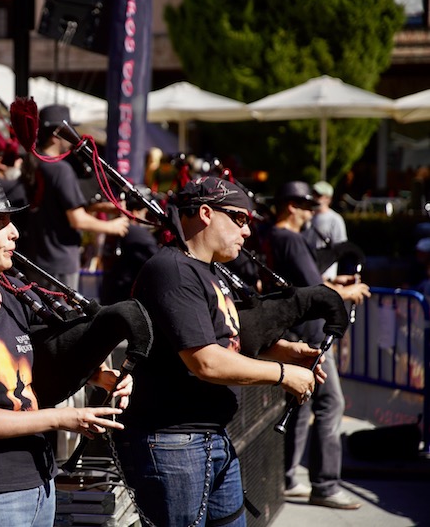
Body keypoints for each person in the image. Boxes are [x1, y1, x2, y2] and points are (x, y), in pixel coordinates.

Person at [0, 170, 132, 526]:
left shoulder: (12, 298)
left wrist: (98, 376)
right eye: (0, 223)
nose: (14, 232)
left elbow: (31, 372)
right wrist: (62, 418)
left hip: (41, 482)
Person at [115, 176, 325, 527]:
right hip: (173, 444)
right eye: (240, 219)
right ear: (206, 213)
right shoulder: (172, 270)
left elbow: (224, 337)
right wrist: (284, 375)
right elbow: (206, 361)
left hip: (209, 438)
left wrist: (283, 351)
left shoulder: (210, 272)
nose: (246, 232)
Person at [268, 180, 370, 510]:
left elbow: (306, 283)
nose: (311, 214)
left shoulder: (275, 237)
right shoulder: (290, 238)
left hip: (295, 332)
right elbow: (314, 291)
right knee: (331, 403)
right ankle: (325, 485)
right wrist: (347, 292)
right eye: (307, 207)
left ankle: (288, 477)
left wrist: (334, 283)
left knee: (303, 405)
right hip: (309, 338)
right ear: (292, 207)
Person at [26, 104, 129, 291]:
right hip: (60, 261)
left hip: (37, 259)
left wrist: (101, 208)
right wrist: (112, 227)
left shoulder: (35, 164)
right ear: (58, 134)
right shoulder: (61, 170)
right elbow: (76, 219)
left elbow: (57, 208)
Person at [303, 180, 348, 281]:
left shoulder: (335, 219)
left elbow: (341, 248)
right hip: (307, 272)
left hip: (326, 275)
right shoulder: (307, 216)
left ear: (328, 199)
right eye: (313, 194)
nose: (315, 198)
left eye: (319, 195)